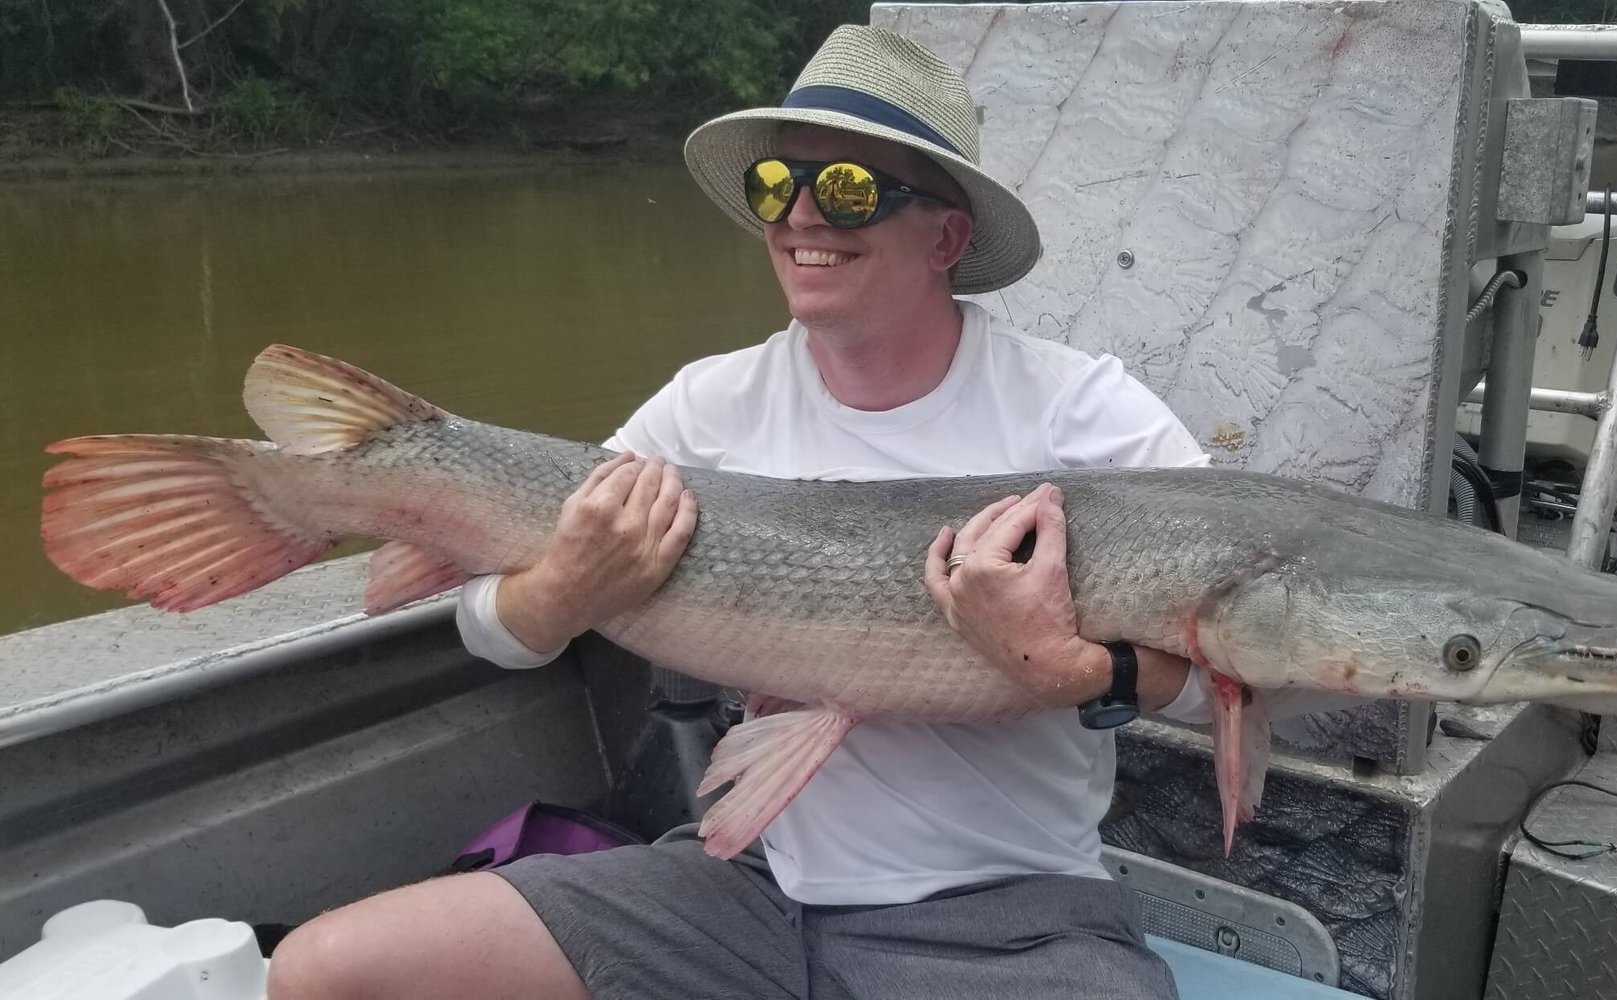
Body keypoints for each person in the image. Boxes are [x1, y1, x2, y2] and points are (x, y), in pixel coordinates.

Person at [267, 24, 1217, 1000]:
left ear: (945, 235)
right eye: (777, 187)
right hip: (743, 889)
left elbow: (1242, 677)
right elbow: (486, 627)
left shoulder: (1081, 413)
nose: (801, 215)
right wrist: (557, 594)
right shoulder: (705, 408)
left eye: (848, 188)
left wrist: (1077, 671)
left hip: (1008, 916)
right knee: (324, 972)